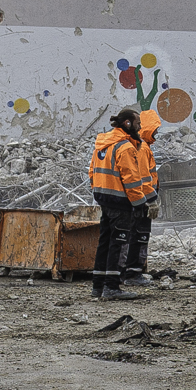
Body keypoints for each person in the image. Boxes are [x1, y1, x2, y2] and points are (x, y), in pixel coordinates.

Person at [87, 109, 151, 300]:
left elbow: (92, 172)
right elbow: (131, 180)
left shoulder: (102, 145)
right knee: (119, 243)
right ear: (128, 124)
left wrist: (99, 192)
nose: (140, 127)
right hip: (120, 202)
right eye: (138, 123)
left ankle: (97, 287)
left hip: (104, 199)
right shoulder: (125, 147)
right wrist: (140, 204)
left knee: (104, 242)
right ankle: (112, 287)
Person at [122, 110, 162, 285]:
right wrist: (151, 200)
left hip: (136, 199)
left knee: (133, 235)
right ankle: (133, 273)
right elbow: (144, 179)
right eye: (154, 129)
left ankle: (127, 271)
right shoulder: (142, 148)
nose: (156, 133)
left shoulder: (137, 145)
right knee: (140, 235)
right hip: (142, 200)